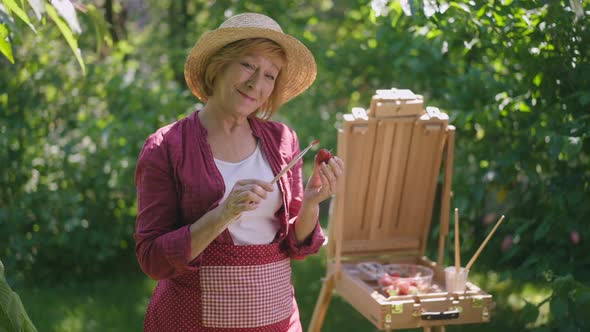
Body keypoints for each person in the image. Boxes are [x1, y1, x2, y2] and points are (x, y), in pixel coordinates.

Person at [134, 12, 344, 331]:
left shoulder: (282, 140)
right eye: (248, 65)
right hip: (190, 320)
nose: (256, 84)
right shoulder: (166, 146)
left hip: (277, 318)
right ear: (219, 64)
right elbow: (152, 259)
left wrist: (313, 203)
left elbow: (295, 245)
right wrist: (223, 214)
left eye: (270, 76)